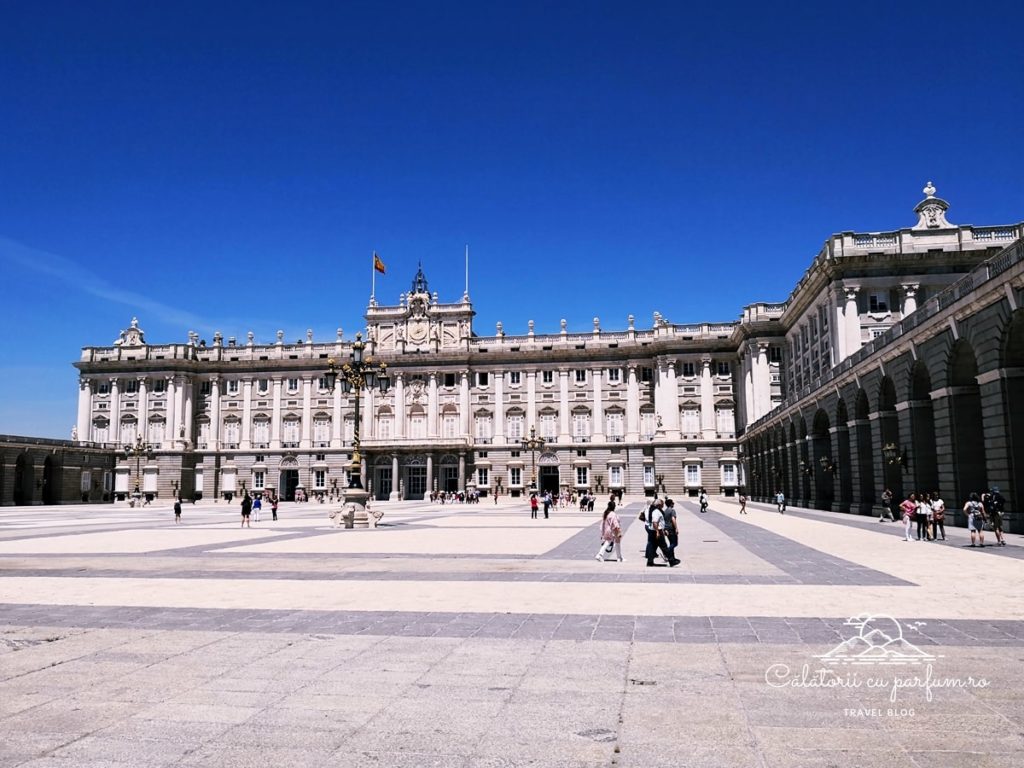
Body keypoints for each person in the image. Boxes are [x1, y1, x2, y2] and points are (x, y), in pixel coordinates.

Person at [644, 499, 679, 567]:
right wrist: (657, 532)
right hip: (657, 531)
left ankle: (650, 561)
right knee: (664, 547)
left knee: (653, 547)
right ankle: (672, 560)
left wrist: (664, 529)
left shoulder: (655, 510)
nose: (663, 505)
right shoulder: (656, 511)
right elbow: (655, 522)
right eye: (662, 504)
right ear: (659, 505)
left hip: (654, 531)